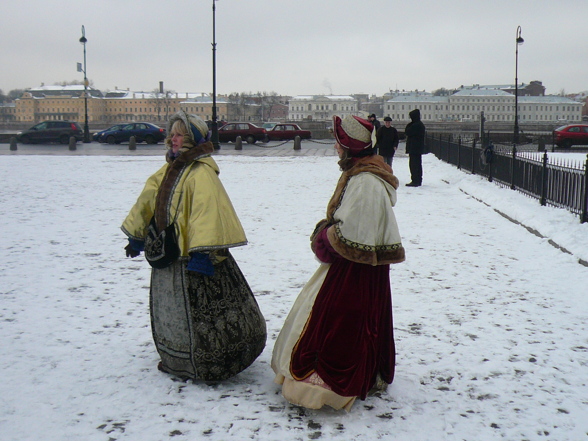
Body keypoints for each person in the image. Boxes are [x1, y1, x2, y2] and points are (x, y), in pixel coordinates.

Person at [271, 115, 405, 411]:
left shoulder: (366, 182)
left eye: (339, 142)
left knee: (337, 324)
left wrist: (323, 236)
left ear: (350, 147)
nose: (334, 147)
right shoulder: (362, 175)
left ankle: (326, 388)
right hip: (358, 269)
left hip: (354, 272)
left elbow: (351, 236)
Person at [122, 111, 266, 382]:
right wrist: (137, 235)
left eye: (178, 134)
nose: (172, 139)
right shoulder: (169, 168)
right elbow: (147, 200)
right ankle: (175, 358)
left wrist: (202, 252)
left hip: (194, 258)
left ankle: (205, 362)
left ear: (191, 139)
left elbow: (206, 212)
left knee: (203, 316)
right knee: (170, 312)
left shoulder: (201, 173)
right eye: (171, 134)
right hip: (167, 257)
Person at [404, 108, 426, 187]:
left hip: (414, 148)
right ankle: (418, 180)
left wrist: (409, 125)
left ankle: (415, 180)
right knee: (417, 164)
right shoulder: (419, 124)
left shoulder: (416, 125)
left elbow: (407, 131)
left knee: (414, 165)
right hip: (417, 148)